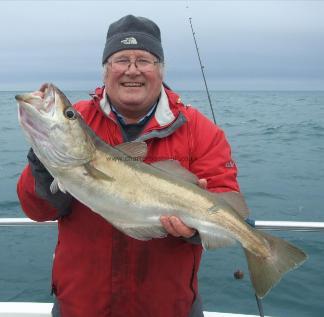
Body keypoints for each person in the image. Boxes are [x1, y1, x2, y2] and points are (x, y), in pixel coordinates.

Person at [17, 15, 240, 317]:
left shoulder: (201, 131)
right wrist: (44, 162)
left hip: (168, 309)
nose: (132, 70)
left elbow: (228, 202)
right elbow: (38, 210)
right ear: (105, 71)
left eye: (144, 60)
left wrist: (195, 230)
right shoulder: (82, 119)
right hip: (80, 307)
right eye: (121, 59)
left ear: (161, 71)